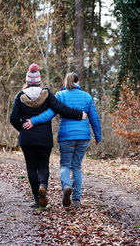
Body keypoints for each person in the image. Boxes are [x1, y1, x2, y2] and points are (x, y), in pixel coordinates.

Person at [9, 64, 87, 208]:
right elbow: (61, 109)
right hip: (44, 138)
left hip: (27, 139)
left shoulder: (20, 96)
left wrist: (22, 129)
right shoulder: (46, 94)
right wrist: (79, 114)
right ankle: (43, 186)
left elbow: (12, 118)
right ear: (39, 81)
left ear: (27, 80)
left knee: (31, 167)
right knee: (43, 165)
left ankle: (37, 198)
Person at [23, 72, 101, 208]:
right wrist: (97, 136)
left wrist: (33, 121)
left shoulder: (60, 95)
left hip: (66, 136)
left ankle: (66, 186)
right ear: (78, 82)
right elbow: (94, 118)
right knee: (76, 167)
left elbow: (49, 114)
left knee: (65, 165)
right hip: (83, 136)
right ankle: (76, 200)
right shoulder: (87, 96)